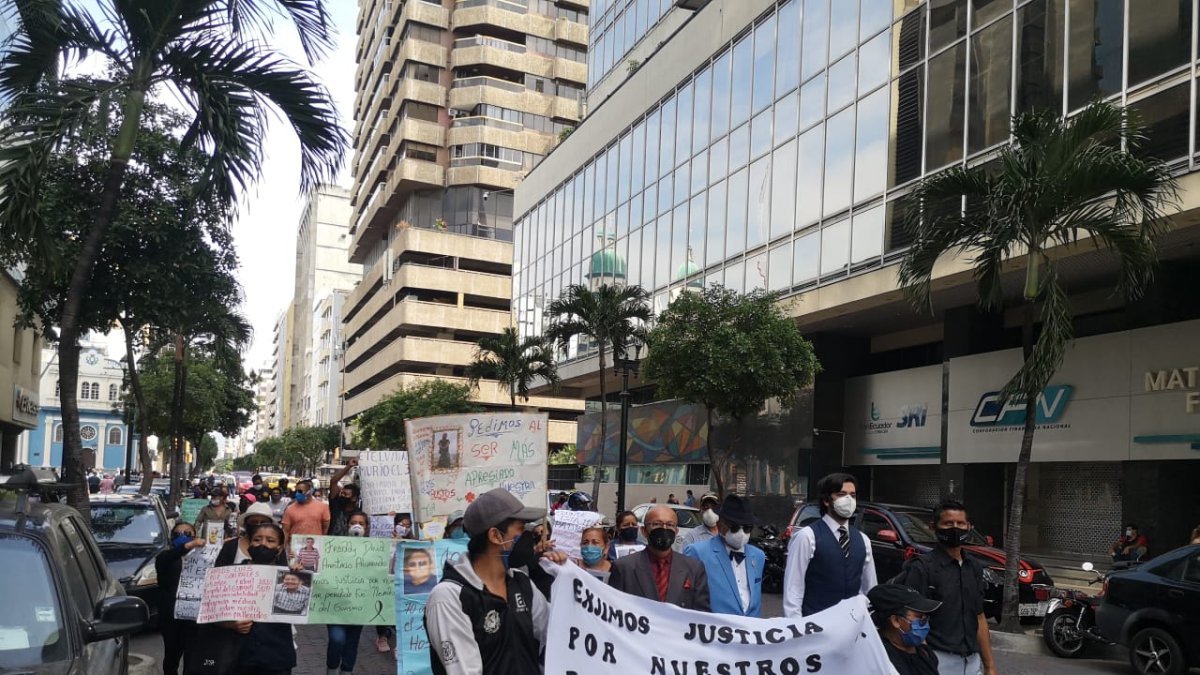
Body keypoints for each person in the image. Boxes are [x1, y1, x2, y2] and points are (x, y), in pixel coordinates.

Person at [425, 487, 566, 674]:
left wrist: (564, 579)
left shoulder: (522, 583)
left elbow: (558, 634)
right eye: (521, 529)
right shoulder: (450, 598)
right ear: (495, 536)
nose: (528, 537)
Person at [897, 500, 998, 675]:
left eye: (960, 523)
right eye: (948, 523)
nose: (955, 528)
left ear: (969, 527)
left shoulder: (974, 567)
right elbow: (912, 620)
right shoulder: (922, 568)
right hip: (938, 661)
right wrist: (927, 663)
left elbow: (979, 616)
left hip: (972, 662)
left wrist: (989, 666)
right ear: (933, 526)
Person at [783, 472, 877, 617]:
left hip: (852, 627)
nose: (848, 500)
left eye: (852, 495)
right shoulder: (807, 537)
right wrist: (797, 628)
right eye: (841, 494)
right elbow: (793, 588)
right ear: (826, 500)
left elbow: (869, 588)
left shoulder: (863, 540)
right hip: (816, 626)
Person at [218, 522, 296, 675]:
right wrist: (230, 625)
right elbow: (212, 611)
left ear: (279, 548)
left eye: (270, 540)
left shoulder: (289, 578)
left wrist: (300, 578)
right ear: (249, 544)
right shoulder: (230, 574)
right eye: (257, 539)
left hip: (276, 656)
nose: (263, 544)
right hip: (239, 655)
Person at [609, 504, 710, 611]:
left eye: (670, 525)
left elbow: (702, 615)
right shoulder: (623, 567)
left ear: (676, 531)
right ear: (644, 531)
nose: (664, 529)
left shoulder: (694, 568)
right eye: (657, 524)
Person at [684, 494, 764, 617]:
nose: (741, 533)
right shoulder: (697, 552)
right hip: (713, 631)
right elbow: (686, 598)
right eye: (735, 527)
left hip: (750, 632)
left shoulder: (758, 556)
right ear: (721, 525)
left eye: (747, 528)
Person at [156, 521, 206, 675]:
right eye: (178, 534)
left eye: (188, 534)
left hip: (194, 616)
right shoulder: (165, 557)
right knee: (171, 657)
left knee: (193, 659)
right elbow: (170, 556)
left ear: (195, 535)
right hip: (171, 616)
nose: (183, 537)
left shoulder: (204, 558)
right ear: (172, 538)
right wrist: (188, 546)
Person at [327, 511, 372, 674]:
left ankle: (346, 671)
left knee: (352, 642)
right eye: (353, 522)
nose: (357, 525)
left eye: (361, 522)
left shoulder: (375, 550)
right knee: (337, 639)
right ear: (347, 525)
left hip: (358, 605)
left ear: (367, 528)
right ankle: (331, 669)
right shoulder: (334, 546)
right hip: (336, 604)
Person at [868, 584, 942, 675]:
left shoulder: (924, 653)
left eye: (926, 616)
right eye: (919, 616)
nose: (925, 621)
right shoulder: (881, 660)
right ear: (896, 621)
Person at [282, 479, 330, 548]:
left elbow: (325, 529)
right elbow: (285, 532)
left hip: (315, 546)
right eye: (296, 491)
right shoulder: (290, 509)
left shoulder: (323, 507)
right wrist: (283, 548)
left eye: (300, 491)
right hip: (295, 547)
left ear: (309, 491)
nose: (297, 494)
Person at [326, 461, 360, 536]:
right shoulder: (336, 505)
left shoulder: (358, 513)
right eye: (342, 493)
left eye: (346, 494)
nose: (343, 496)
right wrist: (349, 466)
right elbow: (333, 482)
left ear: (354, 498)